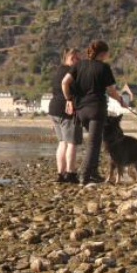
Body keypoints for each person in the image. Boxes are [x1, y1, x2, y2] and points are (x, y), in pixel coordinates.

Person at [62, 39, 126, 185]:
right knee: (94, 144)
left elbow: (64, 82)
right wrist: (120, 100)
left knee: (93, 142)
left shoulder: (79, 65)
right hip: (96, 109)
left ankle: (94, 172)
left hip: (81, 110)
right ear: (103, 53)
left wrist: (69, 99)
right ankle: (84, 176)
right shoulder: (104, 68)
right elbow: (110, 91)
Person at [47, 48, 82, 184]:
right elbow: (69, 87)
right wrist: (70, 100)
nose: (80, 62)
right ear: (72, 58)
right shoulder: (71, 72)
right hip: (67, 109)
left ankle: (60, 174)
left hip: (54, 109)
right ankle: (71, 173)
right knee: (72, 142)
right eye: (78, 59)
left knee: (62, 142)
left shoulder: (58, 71)